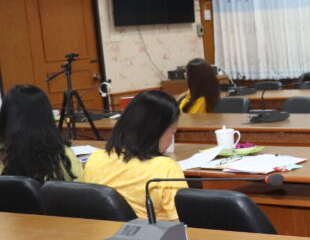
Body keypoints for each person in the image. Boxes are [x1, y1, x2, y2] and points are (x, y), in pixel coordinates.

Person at [83, 90, 186, 220]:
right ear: (156, 132)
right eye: (172, 133)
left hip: (106, 232)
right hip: (157, 233)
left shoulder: (95, 159)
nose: (171, 140)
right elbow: (183, 222)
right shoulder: (166, 168)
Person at [0, 84, 83, 182]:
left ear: (5, 117)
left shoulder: (5, 158)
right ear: (48, 117)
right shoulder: (65, 158)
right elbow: (81, 188)